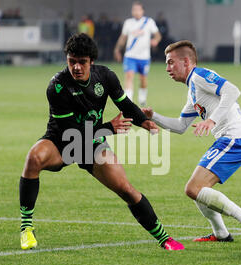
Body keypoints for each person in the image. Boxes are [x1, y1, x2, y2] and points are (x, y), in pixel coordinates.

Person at [18, 33, 184, 252]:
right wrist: (108, 128)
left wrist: (143, 121)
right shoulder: (57, 86)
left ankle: (165, 239)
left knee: (125, 189)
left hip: (92, 143)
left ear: (91, 61)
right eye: (72, 61)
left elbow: (125, 103)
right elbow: (71, 134)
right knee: (34, 157)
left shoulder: (105, 77)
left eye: (82, 62)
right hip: (61, 141)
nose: (76, 67)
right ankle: (26, 228)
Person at [141, 40, 241, 250]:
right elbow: (180, 126)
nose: (167, 68)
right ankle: (221, 233)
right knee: (197, 187)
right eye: (167, 63)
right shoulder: (192, 89)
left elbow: (232, 90)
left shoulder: (199, 76)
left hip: (235, 138)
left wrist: (211, 121)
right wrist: (154, 116)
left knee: (193, 188)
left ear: (186, 61)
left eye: (171, 62)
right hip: (230, 139)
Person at [114, 1, 161, 107]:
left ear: (142, 11)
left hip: (144, 57)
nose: (135, 12)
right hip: (130, 56)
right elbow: (123, 37)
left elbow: (158, 35)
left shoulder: (149, 22)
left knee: (143, 79)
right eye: (134, 10)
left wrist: (156, 41)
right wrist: (117, 49)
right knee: (129, 76)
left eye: (138, 9)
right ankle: (128, 102)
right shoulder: (128, 23)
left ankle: (142, 99)